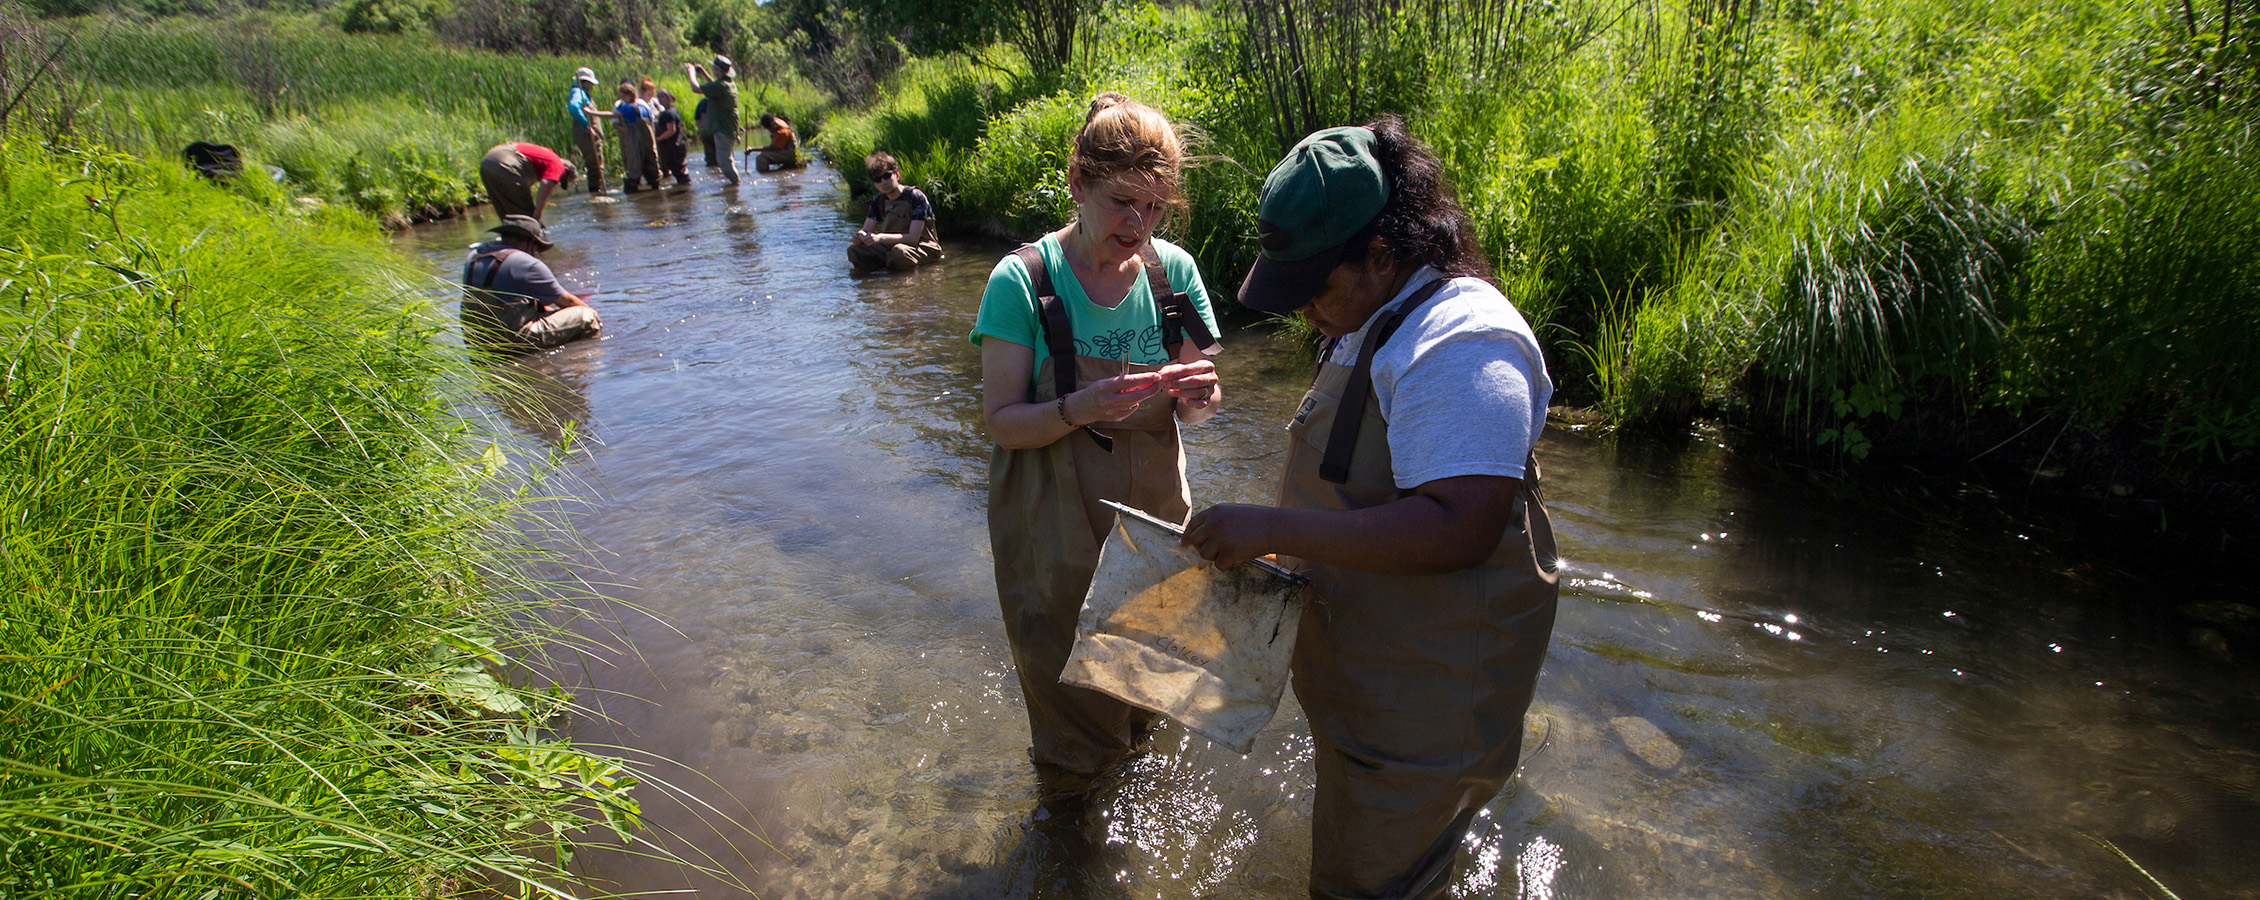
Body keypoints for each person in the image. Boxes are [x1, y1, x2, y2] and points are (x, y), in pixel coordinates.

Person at [1180, 116, 1559, 900]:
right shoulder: (1374, 316)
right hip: (1378, 687)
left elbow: (1465, 523)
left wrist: (1272, 527)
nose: (1305, 310)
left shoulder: (1462, 339)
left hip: (1426, 711)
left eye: (1316, 286)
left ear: (1382, 254)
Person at [970, 92, 1224, 807]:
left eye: (1154, 207)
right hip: (1050, 513)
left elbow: (1203, 403)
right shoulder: (1022, 281)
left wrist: (1201, 397)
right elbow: (1002, 421)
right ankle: (1072, 841)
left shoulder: (1173, 274)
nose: (1138, 225)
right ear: (1077, 183)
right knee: (1072, 713)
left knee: (1151, 691)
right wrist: (1075, 407)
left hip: (1153, 517)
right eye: (1121, 203)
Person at [460, 215, 602, 350]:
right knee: (586, 317)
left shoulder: (473, 257)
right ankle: (578, 363)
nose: (536, 252)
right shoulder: (526, 263)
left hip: (477, 341)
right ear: (529, 242)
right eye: (537, 247)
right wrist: (597, 318)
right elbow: (569, 302)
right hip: (509, 340)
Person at [848, 151, 945, 272]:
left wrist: (881, 238)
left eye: (887, 176)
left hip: (922, 247)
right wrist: (859, 236)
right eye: (878, 179)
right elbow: (867, 230)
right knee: (854, 250)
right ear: (874, 183)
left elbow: (913, 238)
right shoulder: (879, 200)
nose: (883, 182)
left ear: (897, 174)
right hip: (892, 247)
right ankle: (873, 278)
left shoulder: (916, 197)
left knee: (900, 252)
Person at [477, 141, 576, 222]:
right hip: (505, 163)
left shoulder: (545, 154)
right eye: (561, 179)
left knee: (507, 217)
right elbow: (546, 184)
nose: (558, 181)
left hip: (487, 163)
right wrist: (537, 214)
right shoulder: (557, 164)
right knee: (528, 221)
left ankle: (509, 240)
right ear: (566, 170)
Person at [686, 55, 740, 185]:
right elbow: (715, 85)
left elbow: (696, 88)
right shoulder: (728, 84)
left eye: (713, 69)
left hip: (723, 128)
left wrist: (691, 73)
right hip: (730, 126)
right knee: (728, 160)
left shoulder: (721, 86)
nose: (712, 71)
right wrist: (704, 74)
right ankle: (735, 185)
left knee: (723, 162)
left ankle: (736, 187)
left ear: (718, 71)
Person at [565, 67, 609, 195]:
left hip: (588, 134)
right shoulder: (579, 92)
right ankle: (596, 192)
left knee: (596, 162)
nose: (592, 86)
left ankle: (597, 190)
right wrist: (587, 126)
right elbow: (573, 107)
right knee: (595, 164)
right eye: (590, 83)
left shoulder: (581, 92)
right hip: (587, 134)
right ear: (585, 82)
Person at [612, 82, 660, 193]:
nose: (621, 98)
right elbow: (651, 122)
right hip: (649, 140)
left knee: (634, 165)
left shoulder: (628, 107)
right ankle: (656, 189)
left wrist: (592, 113)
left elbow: (613, 115)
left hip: (635, 140)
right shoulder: (643, 104)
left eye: (622, 96)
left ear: (628, 95)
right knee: (652, 164)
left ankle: (633, 190)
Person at [653, 89, 691, 187]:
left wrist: (658, 139)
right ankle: (685, 189)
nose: (660, 99)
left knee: (679, 170)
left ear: (669, 98)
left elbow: (671, 131)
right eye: (659, 97)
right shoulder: (672, 110)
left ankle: (685, 191)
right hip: (679, 144)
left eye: (663, 96)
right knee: (680, 170)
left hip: (674, 146)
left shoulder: (669, 113)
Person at [694, 95, 717, 169]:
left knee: (710, 158)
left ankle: (712, 169)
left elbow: (697, 119)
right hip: (717, 132)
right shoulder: (720, 102)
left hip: (705, 132)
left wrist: (700, 130)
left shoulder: (702, 103)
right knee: (723, 157)